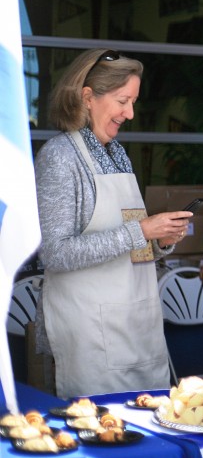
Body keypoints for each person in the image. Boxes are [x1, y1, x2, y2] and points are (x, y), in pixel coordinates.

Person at [34, 48, 193, 397]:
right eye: (123, 100)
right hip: (88, 336)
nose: (130, 113)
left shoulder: (116, 152)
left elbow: (131, 240)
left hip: (136, 328)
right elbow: (55, 253)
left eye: (133, 102)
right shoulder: (60, 157)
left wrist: (160, 239)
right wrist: (142, 230)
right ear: (88, 97)